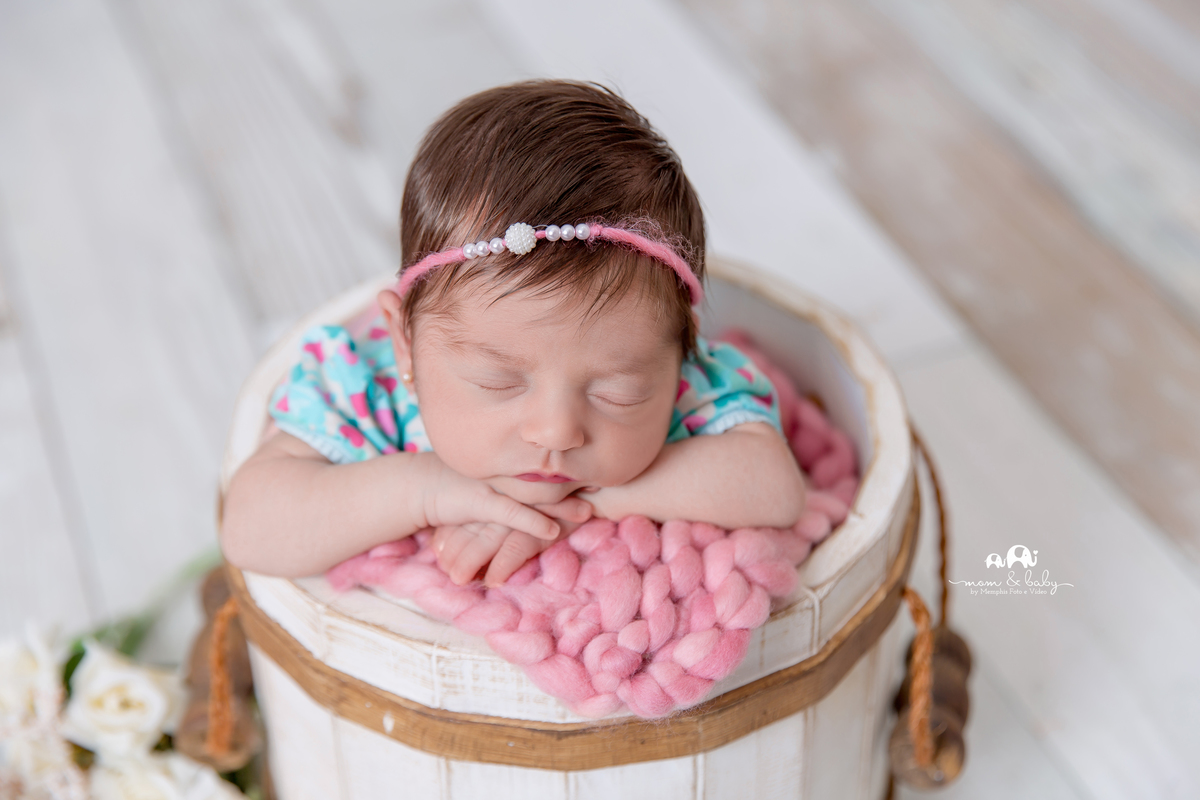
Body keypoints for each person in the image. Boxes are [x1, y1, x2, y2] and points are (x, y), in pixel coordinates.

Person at [220, 80, 807, 587]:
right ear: (404, 342)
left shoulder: (677, 382)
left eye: (616, 393)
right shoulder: (363, 389)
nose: (556, 431)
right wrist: (424, 490)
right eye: (496, 382)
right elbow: (250, 528)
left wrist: (584, 499)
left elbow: (773, 487)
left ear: (682, 347)